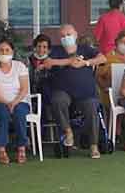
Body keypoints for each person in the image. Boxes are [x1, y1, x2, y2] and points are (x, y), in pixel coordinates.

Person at [44, 24, 106, 159]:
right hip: (63, 91)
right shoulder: (55, 50)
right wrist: (69, 61)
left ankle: (94, 145)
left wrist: (86, 63)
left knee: (92, 108)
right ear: (59, 38)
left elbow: (103, 58)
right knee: (58, 100)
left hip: (86, 93)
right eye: (63, 36)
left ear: (76, 35)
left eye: (69, 35)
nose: (66, 38)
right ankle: (68, 132)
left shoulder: (86, 49)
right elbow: (48, 63)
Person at [0, 39, 32, 164]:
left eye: (7, 50)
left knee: (19, 113)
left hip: (20, 101)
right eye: (1, 50)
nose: (4, 52)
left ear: (12, 52)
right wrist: (7, 103)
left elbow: (24, 88)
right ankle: (1, 149)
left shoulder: (20, 66)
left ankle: (21, 148)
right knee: (3, 114)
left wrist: (14, 102)